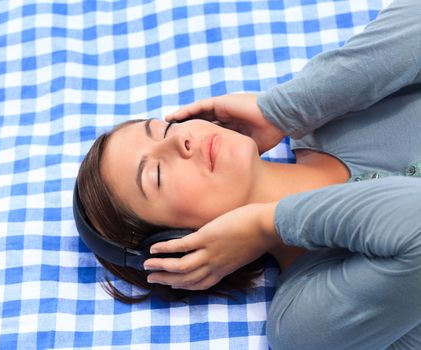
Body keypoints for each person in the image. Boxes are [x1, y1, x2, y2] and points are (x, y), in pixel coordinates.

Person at [76, 0, 421, 348]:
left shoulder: (326, 112)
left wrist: (284, 108)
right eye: (157, 174)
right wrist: (268, 223)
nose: (182, 140)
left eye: (166, 130)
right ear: (175, 246)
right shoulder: (302, 323)